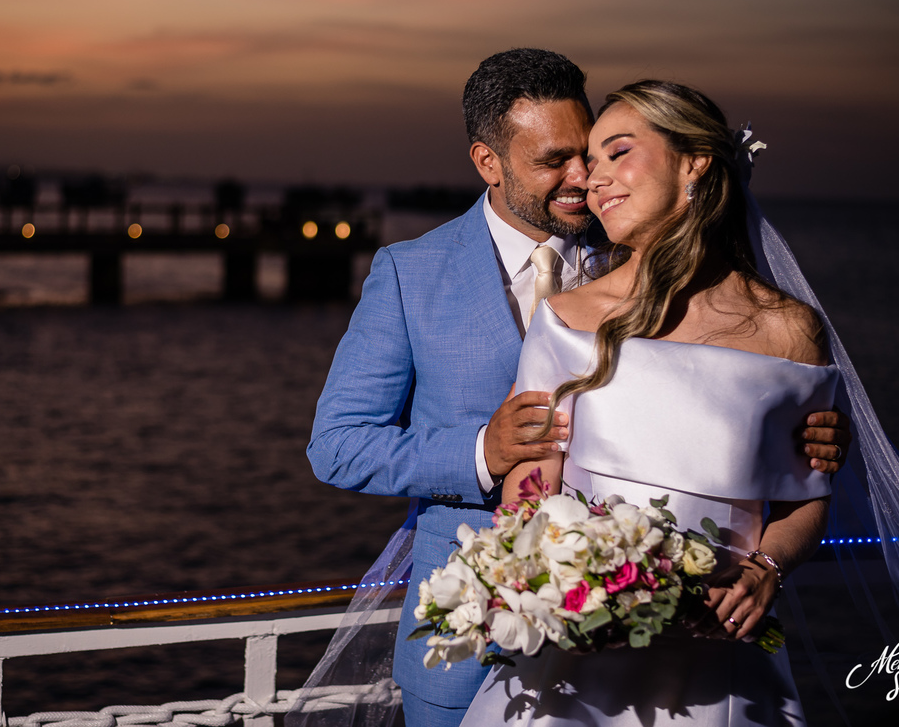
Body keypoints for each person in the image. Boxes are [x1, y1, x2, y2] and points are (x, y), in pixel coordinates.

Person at [303, 50, 849, 727]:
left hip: (697, 641)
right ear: (489, 162)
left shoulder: (633, 236)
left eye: (589, 153)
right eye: (554, 161)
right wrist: (483, 451)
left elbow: (727, 400)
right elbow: (337, 445)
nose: (583, 178)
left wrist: (805, 433)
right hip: (474, 634)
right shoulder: (409, 273)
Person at [460, 80, 899, 725]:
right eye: (591, 161)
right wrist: (545, 588)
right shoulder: (565, 320)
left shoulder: (788, 332)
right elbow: (532, 486)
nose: (592, 179)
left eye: (619, 152)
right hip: (579, 654)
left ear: (695, 163)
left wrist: (767, 569)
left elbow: (806, 499)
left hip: (719, 658)